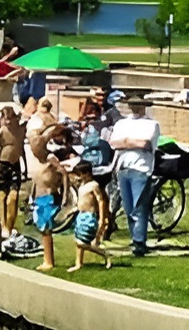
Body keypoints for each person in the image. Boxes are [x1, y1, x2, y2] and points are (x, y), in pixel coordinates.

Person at [108, 98, 162, 256]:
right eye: (133, 104)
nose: (136, 107)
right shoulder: (121, 124)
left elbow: (145, 143)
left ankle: (139, 242)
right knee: (128, 207)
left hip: (141, 169)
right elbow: (113, 143)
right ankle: (135, 237)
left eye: (139, 104)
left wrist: (125, 141)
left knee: (140, 206)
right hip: (123, 168)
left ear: (144, 106)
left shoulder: (151, 124)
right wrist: (130, 142)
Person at [0, 106, 28, 241]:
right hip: (3, 164)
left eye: (11, 119)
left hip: (15, 164)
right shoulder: (1, 133)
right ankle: (2, 224)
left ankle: (9, 227)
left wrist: (25, 167)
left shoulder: (21, 131)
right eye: (6, 119)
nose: (9, 122)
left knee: (14, 196)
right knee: (1, 195)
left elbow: (21, 148)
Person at [66, 159, 113, 271]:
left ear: (88, 173)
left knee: (81, 243)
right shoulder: (82, 185)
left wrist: (102, 218)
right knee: (78, 238)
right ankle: (78, 263)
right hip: (81, 215)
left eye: (81, 174)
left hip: (89, 216)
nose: (79, 177)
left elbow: (101, 201)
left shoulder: (94, 185)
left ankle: (104, 253)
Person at [29, 143, 68, 271]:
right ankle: (47, 259)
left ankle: (49, 261)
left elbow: (64, 173)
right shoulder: (38, 162)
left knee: (46, 229)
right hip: (39, 199)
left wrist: (65, 195)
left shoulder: (51, 159)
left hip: (48, 198)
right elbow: (36, 181)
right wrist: (31, 196)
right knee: (42, 229)